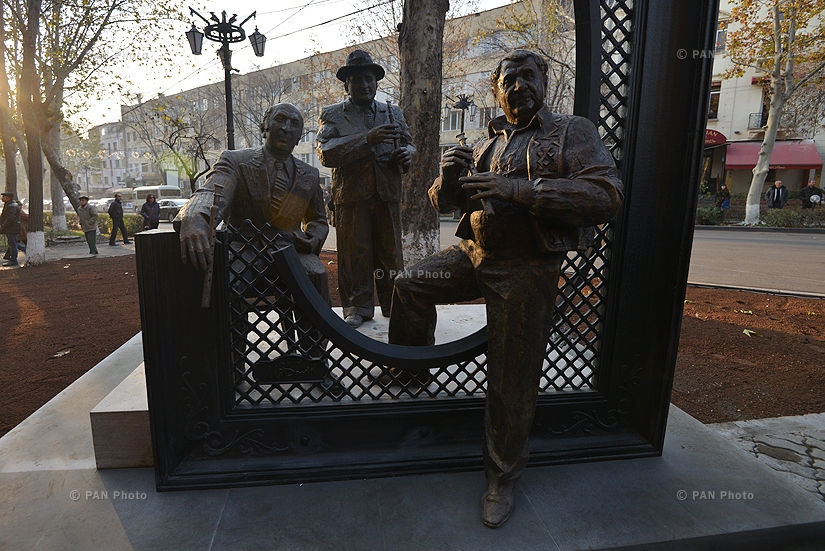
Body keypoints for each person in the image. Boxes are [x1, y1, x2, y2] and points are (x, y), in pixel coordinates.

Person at [387, 50, 623, 528]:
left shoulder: (570, 132)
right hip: (474, 255)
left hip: (525, 267)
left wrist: (524, 192)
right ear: (496, 90)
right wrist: (446, 179)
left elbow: (606, 194)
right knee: (409, 284)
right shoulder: (487, 141)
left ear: (544, 81)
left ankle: (502, 474)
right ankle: (411, 378)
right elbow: (446, 203)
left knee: (512, 371)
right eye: (508, 79)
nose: (518, 86)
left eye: (527, 76)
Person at [177, 102, 330, 357]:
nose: (286, 128)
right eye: (280, 120)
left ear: (300, 135)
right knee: (225, 281)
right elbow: (212, 193)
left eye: (294, 125)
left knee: (316, 273)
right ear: (265, 126)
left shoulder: (311, 174)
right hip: (243, 249)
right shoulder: (236, 161)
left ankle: (313, 356)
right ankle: (232, 361)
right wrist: (194, 217)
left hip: (290, 250)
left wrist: (313, 238)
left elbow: (318, 220)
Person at [316, 49, 416, 328]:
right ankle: (357, 307)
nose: (364, 85)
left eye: (369, 79)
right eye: (357, 80)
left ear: (376, 82)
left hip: (387, 193)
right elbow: (326, 153)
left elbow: (409, 142)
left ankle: (393, 303)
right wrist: (367, 139)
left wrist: (407, 154)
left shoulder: (392, 112)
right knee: (354, 253)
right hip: (351, 196)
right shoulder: (333, 115)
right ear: (347, 85)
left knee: (391, 253)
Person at [1, 191, 22, 266]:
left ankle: (13, 260)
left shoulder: (12, 206)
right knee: (13, 243)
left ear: (7, 198)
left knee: (13, 244)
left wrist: (3, 226)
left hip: (12, 228)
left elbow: (10, 218)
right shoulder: (9, 205)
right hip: (11, 228)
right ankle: (25, 250)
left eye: (3, 196)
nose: (2, 198)